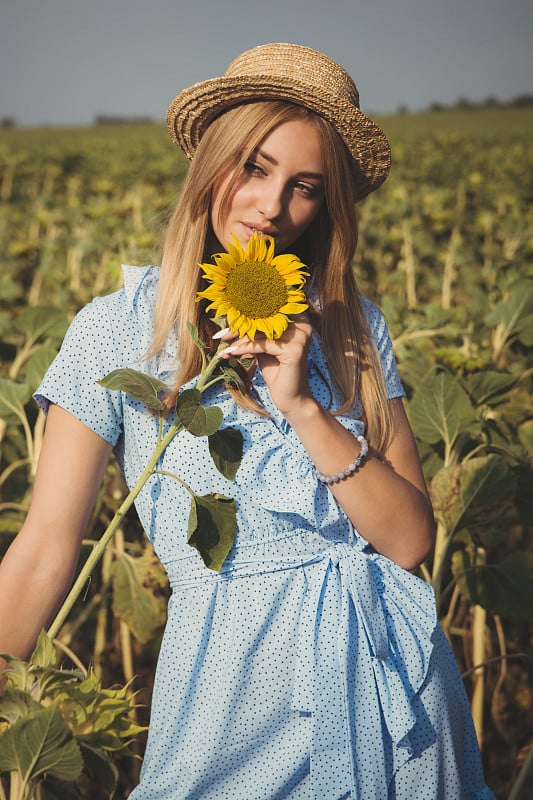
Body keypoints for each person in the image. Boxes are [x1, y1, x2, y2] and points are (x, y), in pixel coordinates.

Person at [0, 43, 494, 799]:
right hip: (227, 700)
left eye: (304, 187)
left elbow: (408, 540)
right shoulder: (118, 331)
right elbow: (44, 546)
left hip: (386, 685)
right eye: (255, 168)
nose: (271, 208)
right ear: (212, 163)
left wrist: (299, 404)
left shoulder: (353, 330)